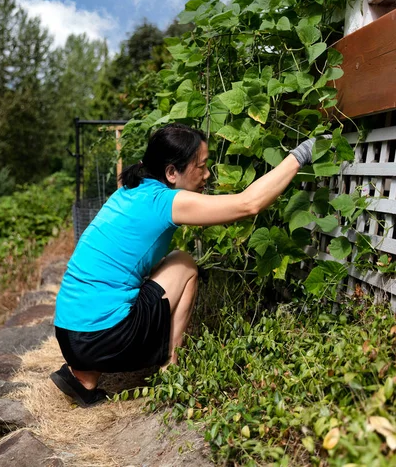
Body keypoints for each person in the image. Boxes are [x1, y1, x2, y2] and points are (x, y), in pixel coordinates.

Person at [50, 123, 320, 407]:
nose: (206, 175)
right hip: (102, 337)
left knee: (137, 276)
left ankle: (82, 377)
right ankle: (171, 368)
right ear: (171, 172)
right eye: (201, 166)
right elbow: (248, 204)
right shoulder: (164, 201)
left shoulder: (129, 191)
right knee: (184, 263)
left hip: (69, 332)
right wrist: (302, 154)